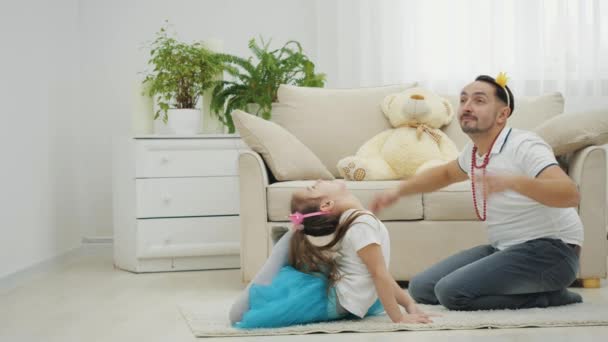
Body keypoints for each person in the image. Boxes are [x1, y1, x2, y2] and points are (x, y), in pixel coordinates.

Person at [370, 73, 583, 311]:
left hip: (553, 252)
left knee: (451, 293)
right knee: (421, 288)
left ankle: (550, 297)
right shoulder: (473, 151)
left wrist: (514, 182)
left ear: (503, 114)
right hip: (505, 248)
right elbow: (445, 175)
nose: (467, 107)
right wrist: (398, 191)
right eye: (463, 100)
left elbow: (569, 194)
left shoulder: (525, 145)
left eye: (479, 101)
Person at [229, 179, 433, 328]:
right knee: (239, 314)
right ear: (326, 205)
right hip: (338, 299)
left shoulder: (357, 221)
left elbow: (380, 275)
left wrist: (409, 303)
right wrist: (399, 318)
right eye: (313, 187)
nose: (317, 181)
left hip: (345, 295)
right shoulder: (362, 224)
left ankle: (289, 245)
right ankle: (286, 244)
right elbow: (379, 274)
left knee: (314, 272)